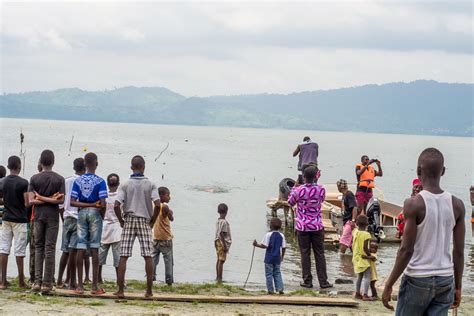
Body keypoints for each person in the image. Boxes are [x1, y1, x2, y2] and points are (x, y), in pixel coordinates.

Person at [382, 148, 465, 315]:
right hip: (445, 279)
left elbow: (406, 250)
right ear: (442, 171)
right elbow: (459, 252)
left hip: (417, 279)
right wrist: (457, 287)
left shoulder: (414, 204)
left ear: (419, 171)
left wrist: (389, 284)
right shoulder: (457, 205)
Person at [114, 155, 160, 298]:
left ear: (131, 168)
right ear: (144, 167)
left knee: (124, 255)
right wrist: (152, 221)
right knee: (148, 255)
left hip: (129, 219)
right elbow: (157, 204)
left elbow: (116, 205)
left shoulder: (125, 184)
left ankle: (121, 290)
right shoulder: (151, 184)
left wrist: (121, 221)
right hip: (144, 220)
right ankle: (149, 291)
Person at [288, 166, 332, 289]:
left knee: (305, 254)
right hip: (317, 225)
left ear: (304, 177)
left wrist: (294, 189)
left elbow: (290, 202)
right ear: (315, 177)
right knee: (320, 253)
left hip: (303, 226)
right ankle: (323, 281)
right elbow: (322, 200)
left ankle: (307, 281)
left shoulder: (298, 190)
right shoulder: (321, 189)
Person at [28, 150, 65, 293]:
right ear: (53, 161)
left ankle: (37, 281)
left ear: (41, 162)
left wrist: (41, 197)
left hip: (38, 216)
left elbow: (31, 200)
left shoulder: (34, 178)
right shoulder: (59, 179)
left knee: (39, 248)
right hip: (53, 216)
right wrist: (51, 199)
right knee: (50, 248)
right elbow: (60, 200)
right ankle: (47, 283)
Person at [70, 152, 107, 295]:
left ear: (84, 164)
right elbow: (103, 204)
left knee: (80, 247)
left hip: (81, 213)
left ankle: (79, 286)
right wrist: (99, 213)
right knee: (94, 248)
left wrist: (85, 205)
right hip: (95, 213)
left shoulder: (78, 181)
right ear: (96, 164)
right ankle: (94, 286)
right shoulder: (100, 181)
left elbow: (72, 202)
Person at [0, 156, 29, 289]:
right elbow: (27, 203)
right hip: (20, 219)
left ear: (8, 166)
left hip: (6, 218)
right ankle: (21, 281)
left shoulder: (2, 182)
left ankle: (3, 281)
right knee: (20, 250)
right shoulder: (24, 183)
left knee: (4, 248)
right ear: (19, 166)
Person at [56, 158, 85, 289]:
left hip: (67, 217)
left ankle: (59, 279)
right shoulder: (84, 181)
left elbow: (60, 204)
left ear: (74, 167)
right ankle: (72, 281)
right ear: (84, 168)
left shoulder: (66, 181)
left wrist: (64, 218)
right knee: (74, 251)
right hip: (78, 218)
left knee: (65, 251)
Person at [98, 173, 122, 284]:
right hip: (117, 227)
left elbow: (100, 209)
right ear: (118, 184)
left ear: (107, 184)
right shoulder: (121, 196)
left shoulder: (104, 196)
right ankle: (119, 280)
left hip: (105, 226)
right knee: (118, 257)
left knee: (100, 256)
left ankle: (98, 278)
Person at [252, 217, 286, 294]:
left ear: (270, 226)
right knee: (277, 273)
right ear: (280, 227)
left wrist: (256, 244)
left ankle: (270, 290)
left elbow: (264, 246)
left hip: (269, 258)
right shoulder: (282, 236)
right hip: (277, 258)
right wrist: (282, 256)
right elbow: (284, 247)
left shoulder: (268, 235)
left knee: (269, 274)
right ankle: (280, 288)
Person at [152, 186, 174, 285]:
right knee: (168, 261)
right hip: (166, 239)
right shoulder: (164, 206)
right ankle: (169, 280)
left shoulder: (153, 206)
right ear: (161, 196)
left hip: (155, 237)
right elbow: (171, 218)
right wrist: (170, 212)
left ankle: (151, 277)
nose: (169, 197)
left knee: (153, 259)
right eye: (168, 195)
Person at [352, 214, 375, 301]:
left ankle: (357, 293)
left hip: (356, 258)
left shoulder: (355, 232)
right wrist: (370, 255)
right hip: (364, 258)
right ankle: (365, 294)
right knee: (367, 277)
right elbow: (365, 248)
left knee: (359, 277)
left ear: (357, 223)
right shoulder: (366, 234)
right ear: (367, 223)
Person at [337, 179, 357, 254]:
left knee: (343, 241)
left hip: (350, 221)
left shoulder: (349, 194)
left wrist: (353, 220)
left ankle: (341, 259)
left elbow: (354, 207)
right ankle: (352, 260)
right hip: (346, 222)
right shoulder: (344, 196)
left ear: (340, 187)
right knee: (351, 243)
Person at [215, 203, 231, 283]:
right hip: (222, 243)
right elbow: (222, 234)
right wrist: (225, 246)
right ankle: (220, 278)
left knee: (218, 260)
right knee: (221, 261)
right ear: (226, 212)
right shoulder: (224, 222)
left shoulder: (218, 221)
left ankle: (218, 277)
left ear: (218, 211)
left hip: (217, 241)